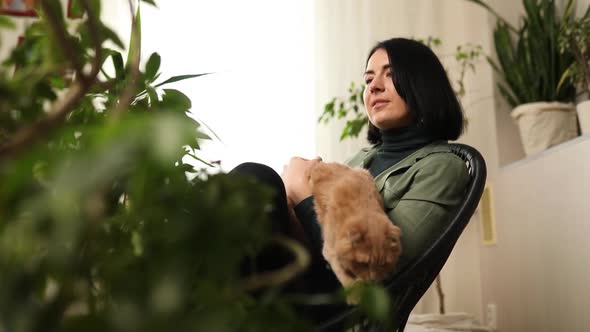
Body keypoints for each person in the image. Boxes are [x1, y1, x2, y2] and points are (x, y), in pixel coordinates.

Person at [232, 37, 470, 319]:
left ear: (423, 85)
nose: (374, 86)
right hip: (308, 277)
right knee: (254, 184)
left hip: (344, 304)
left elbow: (382, 271)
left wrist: (303, 195)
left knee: (256, 177)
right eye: (368, 79)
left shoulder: (442, 167)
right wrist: (292, 201)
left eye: (391, 75)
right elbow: (318, 233)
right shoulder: (360, 160)